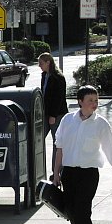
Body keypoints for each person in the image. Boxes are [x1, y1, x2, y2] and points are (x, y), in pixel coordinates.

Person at [53, 85, 112, 224]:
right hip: (68, 172)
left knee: (82, 211)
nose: (94, 104)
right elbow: (59, 148)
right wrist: (56, 173)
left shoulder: (100, 124)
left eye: (96, 100)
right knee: (72, 212)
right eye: (90, 100)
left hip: (89, 174)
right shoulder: (68, 120)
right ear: (80, 102)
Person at [39, 52, 68, 180]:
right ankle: (37, 169)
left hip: (57, 115)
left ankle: (56, 171)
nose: (39, 66)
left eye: (41, 63)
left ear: (48, 62)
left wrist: (53, 115)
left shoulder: (58, 77)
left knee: (58, 143)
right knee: (37, 140)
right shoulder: (44, 75)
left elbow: (58, 98)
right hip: (45, 114)